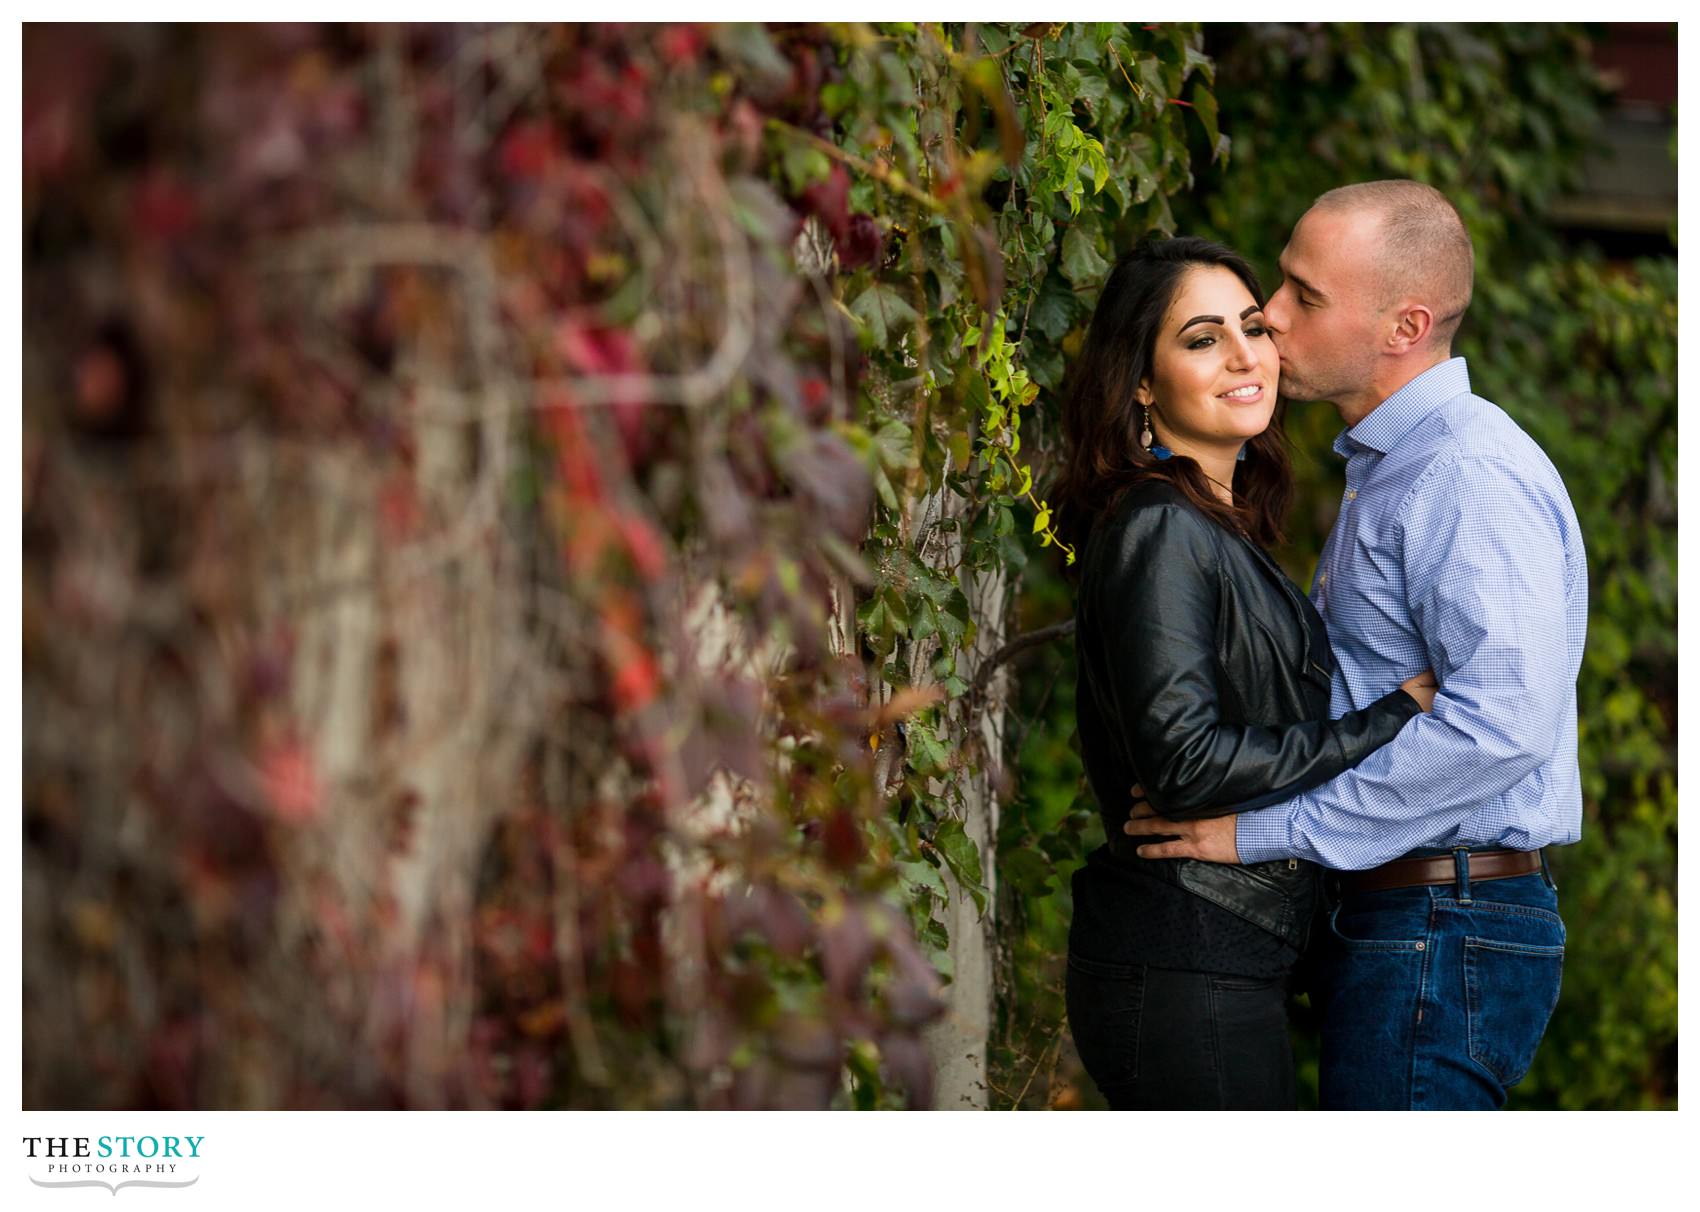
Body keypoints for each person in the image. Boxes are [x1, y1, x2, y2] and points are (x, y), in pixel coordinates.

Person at [1124, 181, 1587, 1110]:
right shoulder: (1397, 467)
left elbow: (1500, 726)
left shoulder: (1465, 474)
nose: (1272, 320)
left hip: (1441, 923)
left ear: (1404, 324)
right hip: (1412, 918)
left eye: (1306, 296)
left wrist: (1266, 833)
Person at [1054, 236, 1438, 1110]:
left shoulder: (1214, 525)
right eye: (1200, 338)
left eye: (1253, 327)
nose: (1242, 355)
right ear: (1142, 383)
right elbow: (1185, 766)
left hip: (1224, 954)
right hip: (1187, 953)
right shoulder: (1160, 526)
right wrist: (1388, 718)